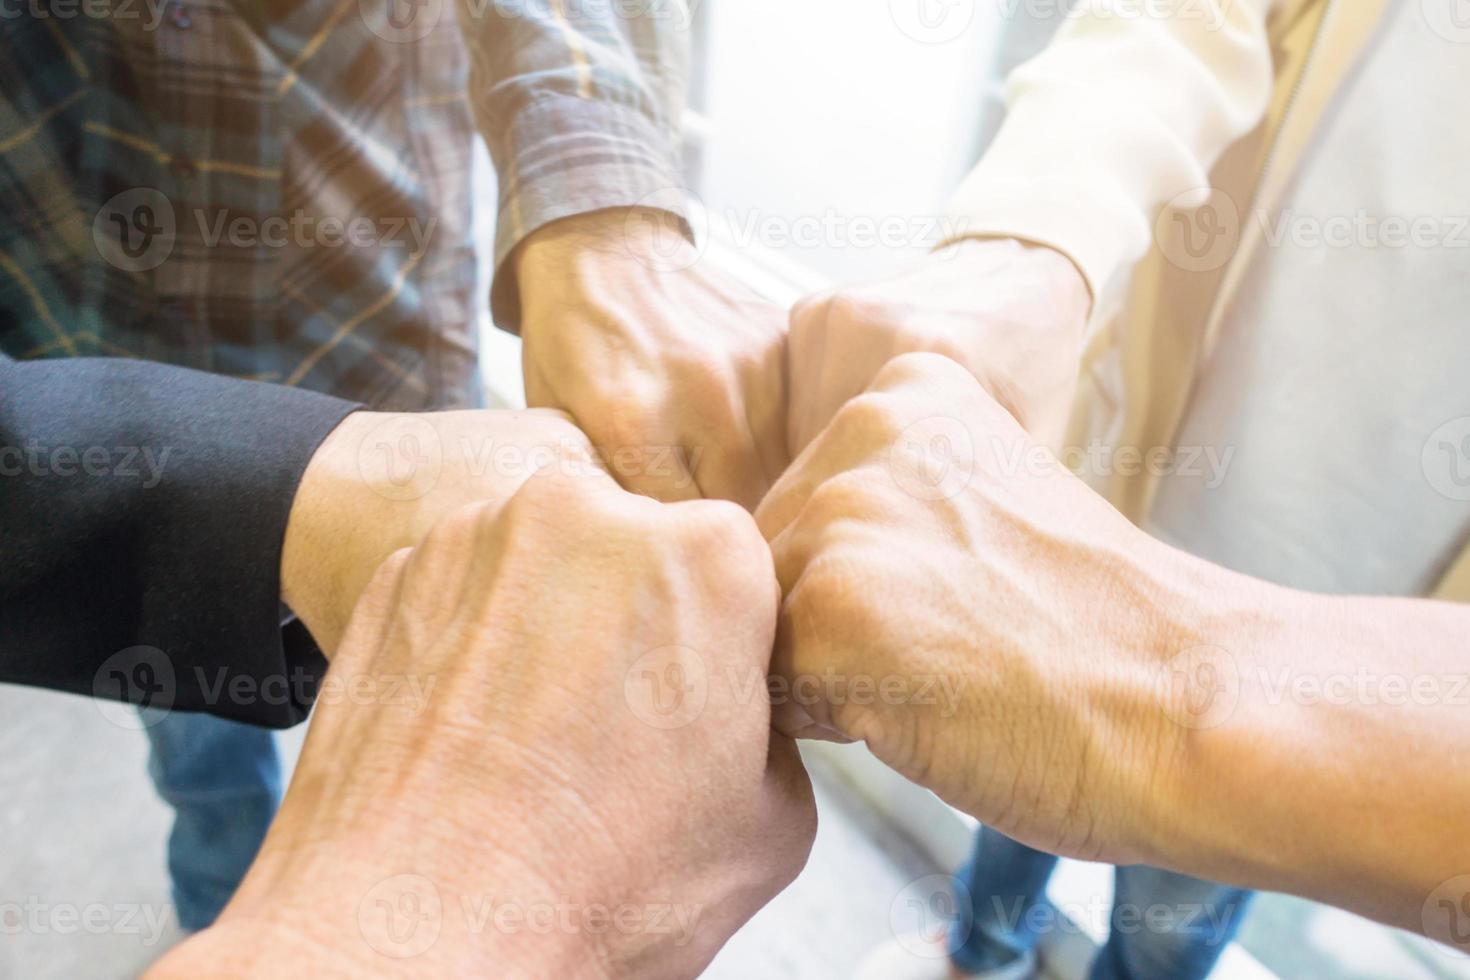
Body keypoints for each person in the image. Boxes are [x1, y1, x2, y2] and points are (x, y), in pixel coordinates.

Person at [0, 0, 782, 930]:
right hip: (84, 385)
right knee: (200, 754)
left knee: (457, 733)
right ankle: (217, 906)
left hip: (372, 342)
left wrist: (597, 201)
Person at [774, 1, 1470, 976]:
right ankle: (978, 952)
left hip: (1348, 636)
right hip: (1121, 479)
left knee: (1173, 914)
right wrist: (1030, 245)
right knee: (1011, 792)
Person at [760, 351, 1470, 962]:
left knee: (1166, 931)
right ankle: (980, 958)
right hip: (1107, 517)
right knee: (1009, 833)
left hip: (1355, 666)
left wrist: (1184, 706)